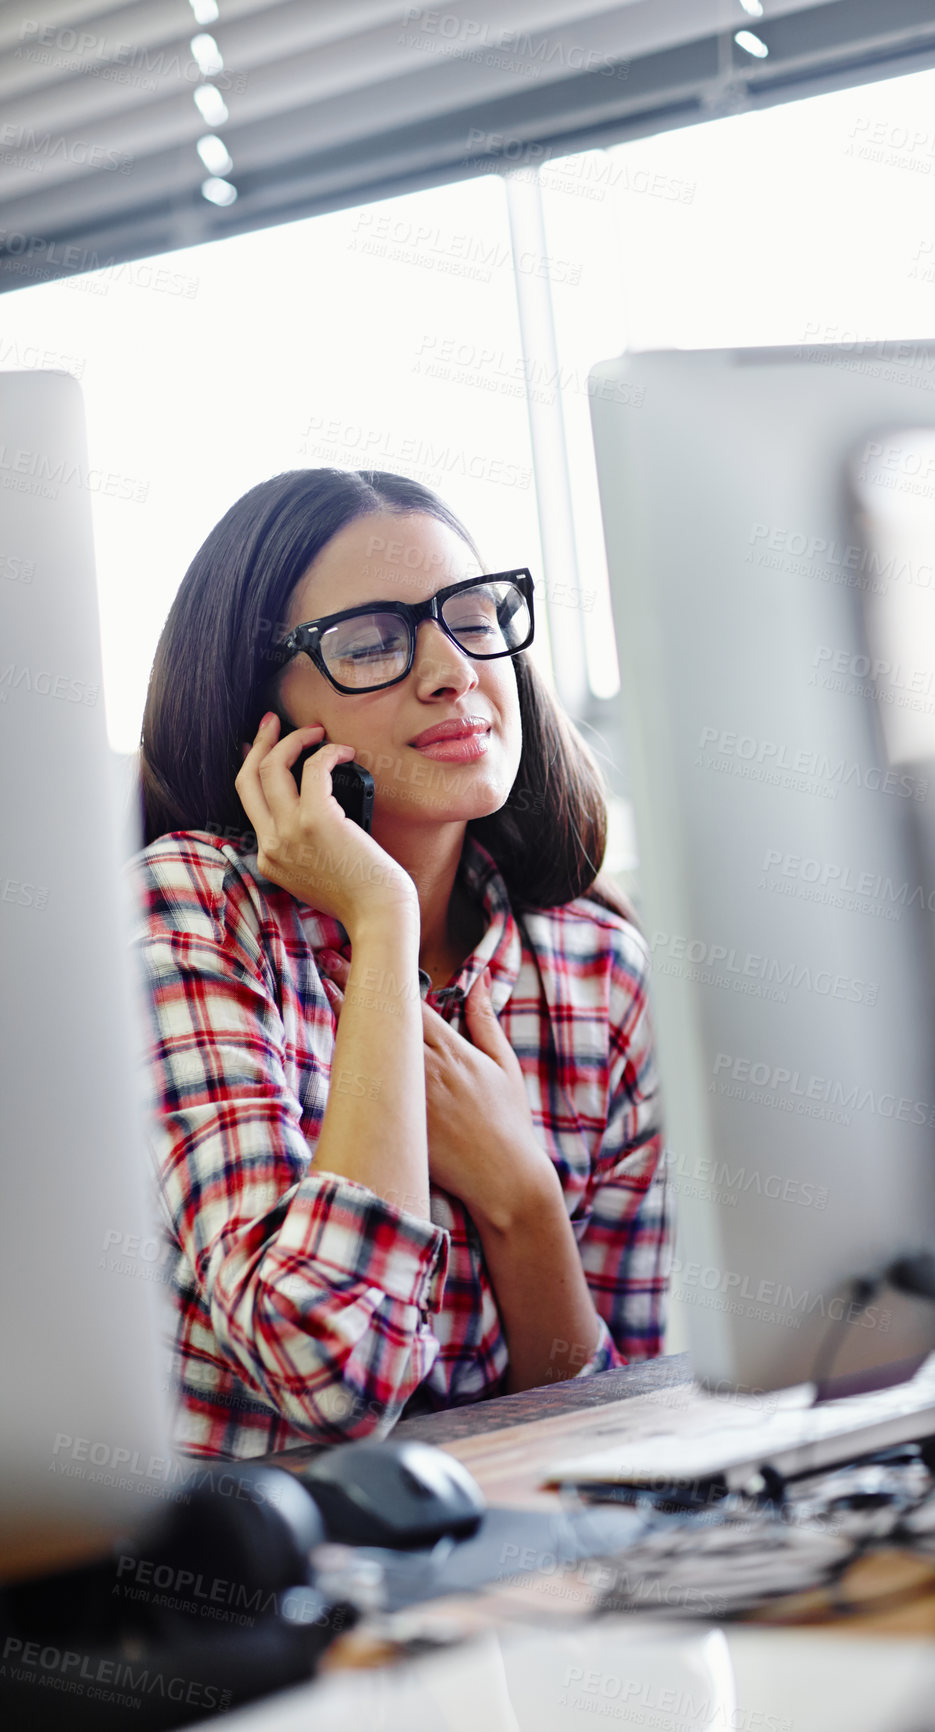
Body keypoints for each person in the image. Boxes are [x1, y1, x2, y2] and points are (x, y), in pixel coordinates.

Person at [130, 467, 672, 1460]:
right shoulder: (193, 912)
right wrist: (378, 922)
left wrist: (522, 1200)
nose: (451, 668)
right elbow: (328, 1372)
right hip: (252, 1594)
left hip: (529, 1579)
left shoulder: (598, 968)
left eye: (472, 617)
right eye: (373, 641)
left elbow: (631, 1431)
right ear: (263, 708)